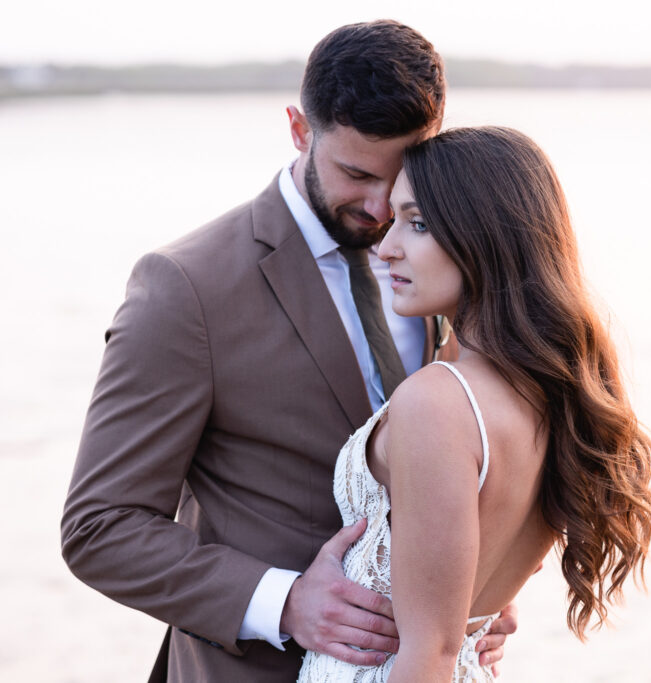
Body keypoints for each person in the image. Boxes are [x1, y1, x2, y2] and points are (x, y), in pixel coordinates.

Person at [60, 21, 514, 683]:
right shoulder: (186, 287)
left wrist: (481, 589)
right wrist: (284, 600)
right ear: (300, 130)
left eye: (402, 176)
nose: (382, 205)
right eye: (356, 173)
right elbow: (99, 526)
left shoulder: (445, 264)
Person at [296, 126, 651, 682]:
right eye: (393, 220)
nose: (386, 245)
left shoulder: (437, 402)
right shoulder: (554, 394)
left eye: (416, 223)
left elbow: (430, 653)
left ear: (484, 236)